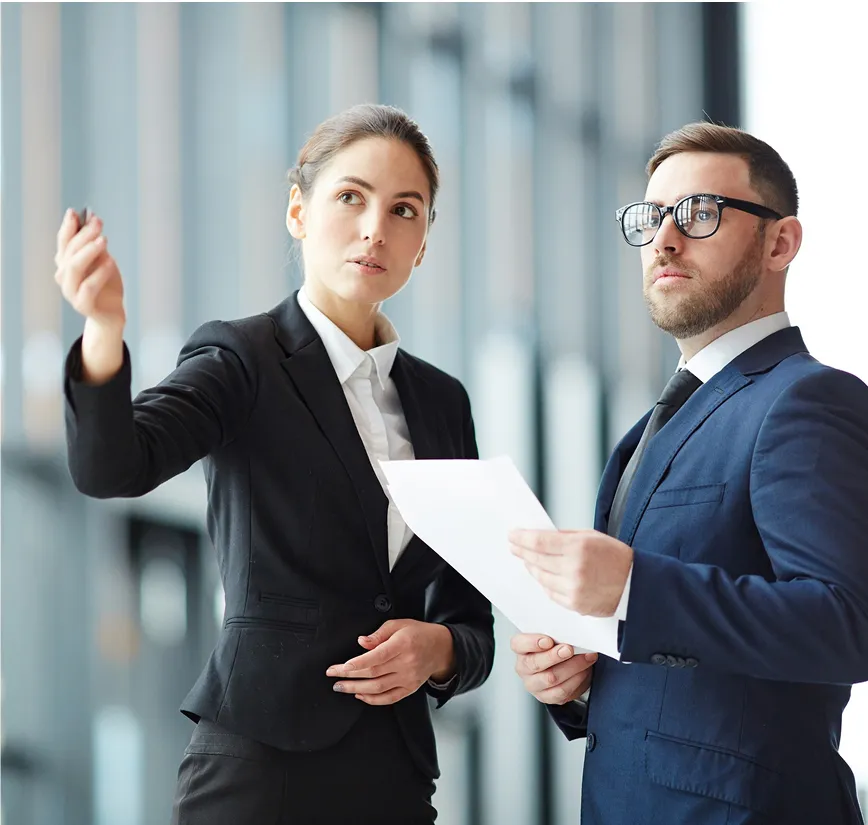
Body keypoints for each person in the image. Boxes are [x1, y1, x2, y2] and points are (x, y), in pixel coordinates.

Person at [55, 103, 494, 825]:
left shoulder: (442, 402)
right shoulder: (241, 358)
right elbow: (114, 468)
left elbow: (470, 619)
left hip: (394, 775)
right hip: (259, 770)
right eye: (350, 196)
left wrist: (438, 648)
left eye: (403, 209)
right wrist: (104, 328)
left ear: (424, 242)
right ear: (298, 211)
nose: (374, 228)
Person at [509, 122, 868, 824]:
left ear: (780, 242)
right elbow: (664, 652)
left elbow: (847, 622)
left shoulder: (808, 398)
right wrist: (576, 674)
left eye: (700, 213)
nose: (665, 240)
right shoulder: (640, 435)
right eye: (651, 218)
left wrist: (636, 587)